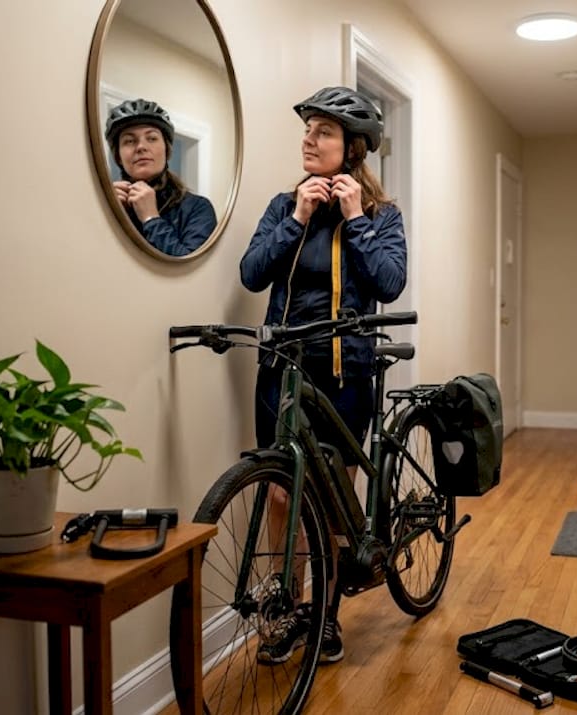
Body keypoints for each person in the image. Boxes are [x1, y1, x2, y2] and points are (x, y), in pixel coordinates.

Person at [240, 86, 407, 665]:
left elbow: (389, 283)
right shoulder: (283, 206)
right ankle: (285, 610)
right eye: (307, 129)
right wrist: (298, 217)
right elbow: (251, 275)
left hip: (343, 373)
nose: (309, 139)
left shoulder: (383, 214)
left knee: (333, 501)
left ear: (353, 148)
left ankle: (326, 618)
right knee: (282, 494)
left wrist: (355, 218)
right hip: (281, 372)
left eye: (324, 131)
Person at [104, 98, 217, 257]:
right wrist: (107, 216)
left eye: (151, 138)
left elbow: (190, 272)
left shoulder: (197, 209)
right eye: (129, 141)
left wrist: (150, 218)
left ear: (167, 150)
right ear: (118, 157)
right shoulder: (105, 205)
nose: (141, 147)